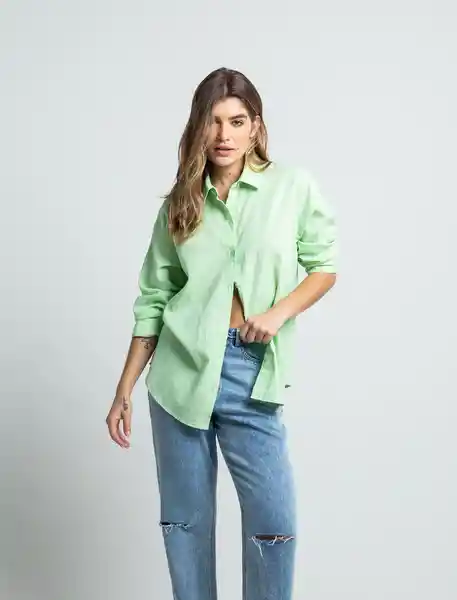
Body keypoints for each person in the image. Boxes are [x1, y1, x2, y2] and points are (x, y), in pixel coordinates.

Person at [106, 67, 338, 600]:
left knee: (274, 525)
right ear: (198, 128)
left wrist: (277, 313)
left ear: (256, 126)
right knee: (184, 524)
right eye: (213, 122)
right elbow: (154, 298)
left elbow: (324, 266)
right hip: (179, 372)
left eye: (236, 121)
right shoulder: (180, 202)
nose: (223, 135)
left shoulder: (292, 187)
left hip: (250, 369)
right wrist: (124, 388)